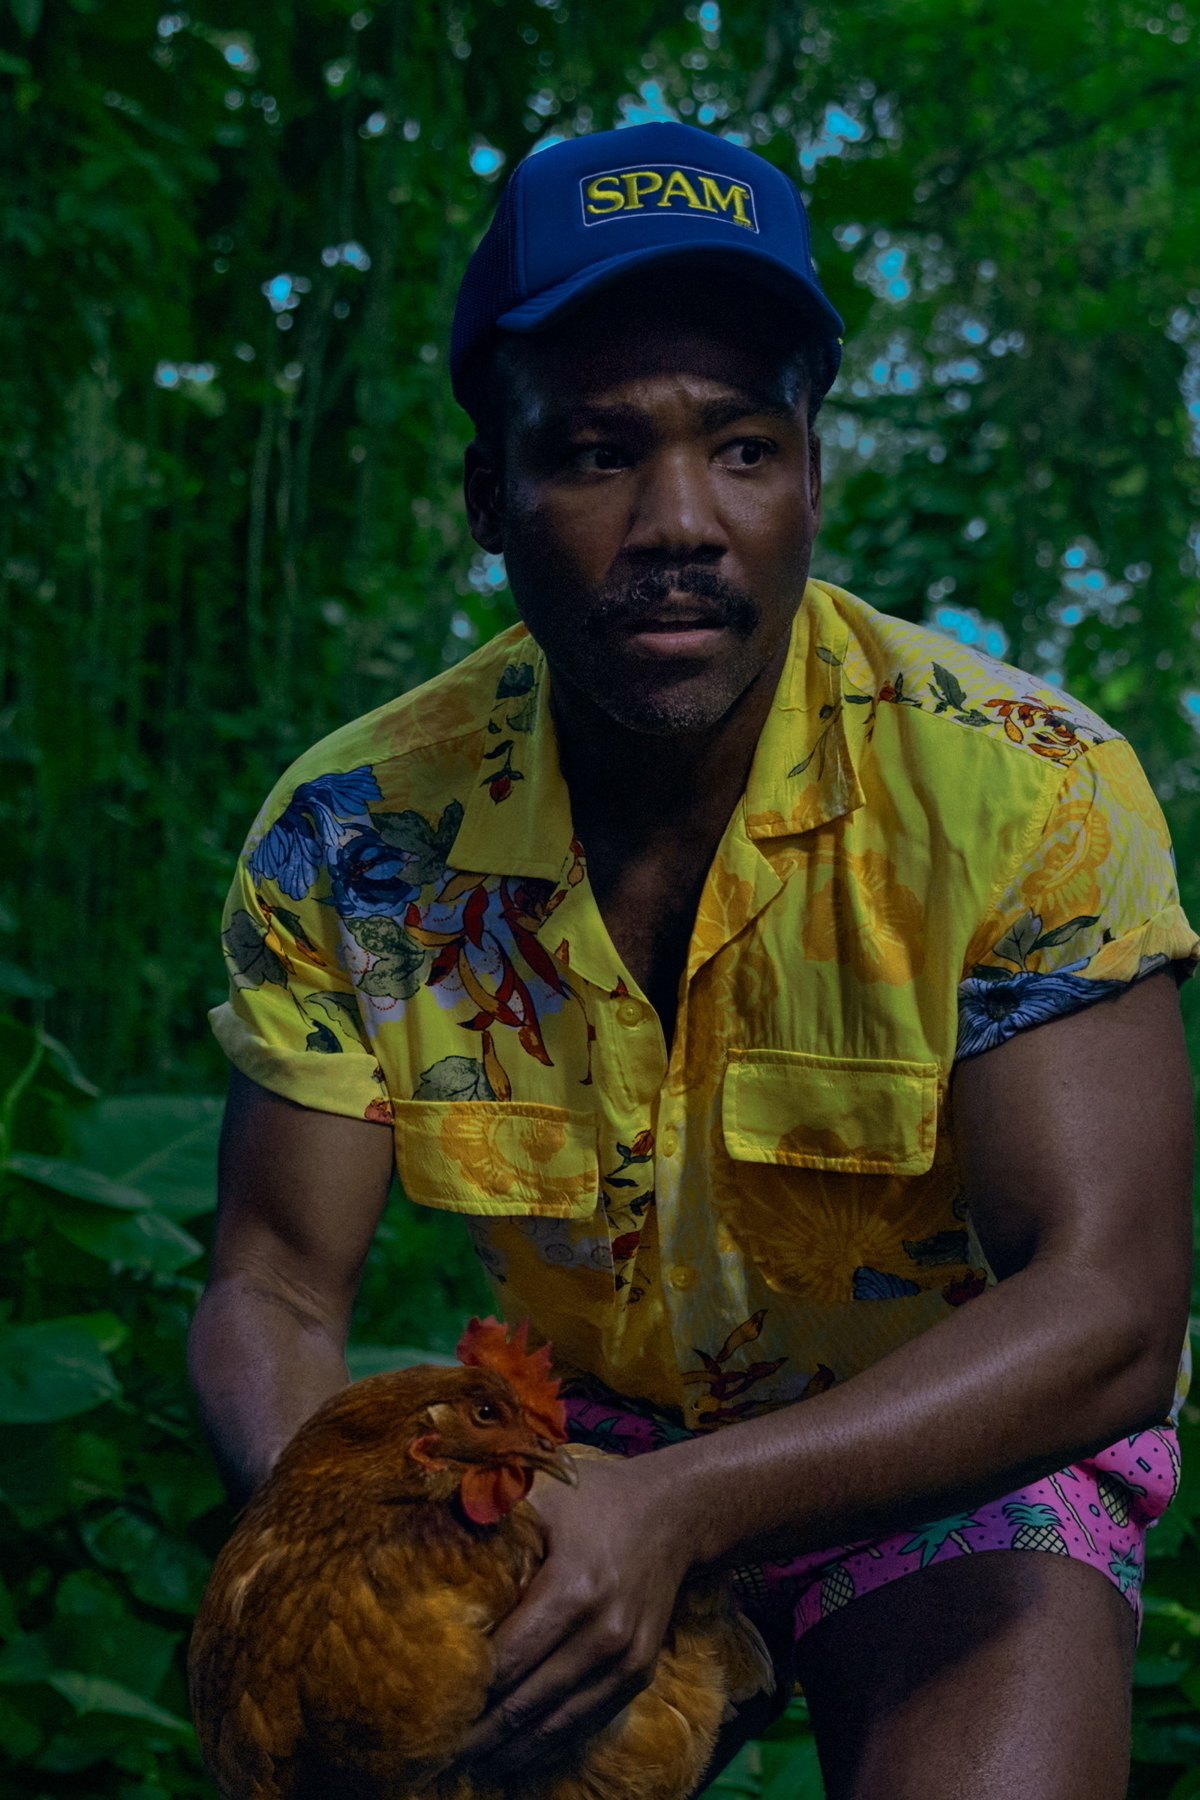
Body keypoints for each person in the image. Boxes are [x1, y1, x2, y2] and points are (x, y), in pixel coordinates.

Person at [190, 121, 1197, 1799]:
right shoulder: (354, 834)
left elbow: (1107, 1311)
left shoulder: (1025, 788)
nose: (682, 521)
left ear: (813, 472)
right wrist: (367, 1544)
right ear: (487, 492)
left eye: (742, 446)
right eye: (592, 452)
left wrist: (688, 1507)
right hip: (556, 1458)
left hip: (943, 1454)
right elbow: (275, 1285)